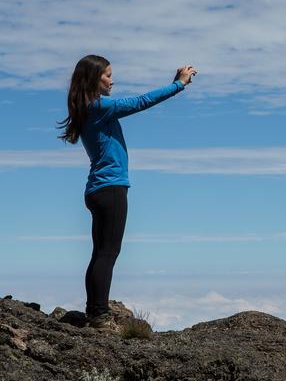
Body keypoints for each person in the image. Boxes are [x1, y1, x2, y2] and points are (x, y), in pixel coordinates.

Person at [57, 54, 197, 331]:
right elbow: (139, 102)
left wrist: (174, 83)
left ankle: (96, 309)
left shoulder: (88, 108)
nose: (112, 80)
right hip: (110, 189)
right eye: (107, 75)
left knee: (101, 253)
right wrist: (179, 85)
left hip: (99, 189)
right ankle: (98, 314)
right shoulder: (98, 107)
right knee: (108, 253)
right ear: (93, 79)